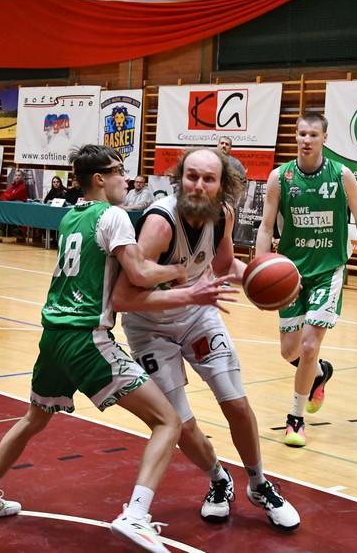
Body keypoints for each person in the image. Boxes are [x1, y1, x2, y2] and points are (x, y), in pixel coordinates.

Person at [0, 144, 227, 553]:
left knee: (34, 419)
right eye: (118, 171)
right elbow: (137, 273)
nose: (126, 177)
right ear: (100, 179)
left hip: (52, 336)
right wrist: (185, 272)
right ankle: (136, 515)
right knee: (168, 422)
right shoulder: (114, 215)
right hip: (87, 337)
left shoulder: (71, 216)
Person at [115, 148, 300, 530]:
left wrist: (261, 279)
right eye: (192, 176)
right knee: (179, 423)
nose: (198, 185)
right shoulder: (160, 224)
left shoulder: (223, 216)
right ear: (180, 178)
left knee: (235, 402)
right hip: (149, 326)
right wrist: (188, 293)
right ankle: (218, 479)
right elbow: (122, 297)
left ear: (222, 187)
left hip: (198, 315)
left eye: (208, 179)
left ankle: (259, 483)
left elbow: (221, 266)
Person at [256, 112, 357, 448]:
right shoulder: (281, 177)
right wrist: (258, 268)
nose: (306, 140)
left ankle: (295, 418)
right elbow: (266, 227)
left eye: (313, 135)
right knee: (288, 350)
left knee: (309, 345)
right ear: (296, 137)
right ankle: (320, 373)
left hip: (328, 271)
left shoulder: (342, 175)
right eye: (301, 134)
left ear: (324, 138)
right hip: (291, 274)